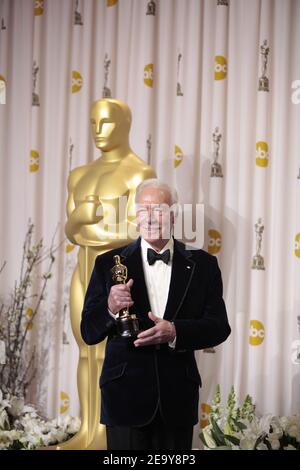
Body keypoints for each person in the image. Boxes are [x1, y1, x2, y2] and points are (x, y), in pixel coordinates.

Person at [80, 179, 231, 450]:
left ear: (173, 215)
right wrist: (109, 308)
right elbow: (88, 332)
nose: (150, 218)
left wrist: (175, 332)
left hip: (177, 399)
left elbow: (219, 326)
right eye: (142, 210)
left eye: (158, 209)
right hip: (123, 398)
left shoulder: (203, 265)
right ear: (135, 217)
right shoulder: (107, 263)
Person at [61, 99, 155, 450]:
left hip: (116, 275)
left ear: (126, 124)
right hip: (82, 271)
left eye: (107, 123)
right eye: (94, 123)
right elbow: (70, 229)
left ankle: (106, 432)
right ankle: (87, 430)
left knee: (108, 353)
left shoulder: (138, 172)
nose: (99, 131)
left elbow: (135, 230)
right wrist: (81, 223)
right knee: (86, 349)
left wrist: (85, 227)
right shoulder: (79, 174)